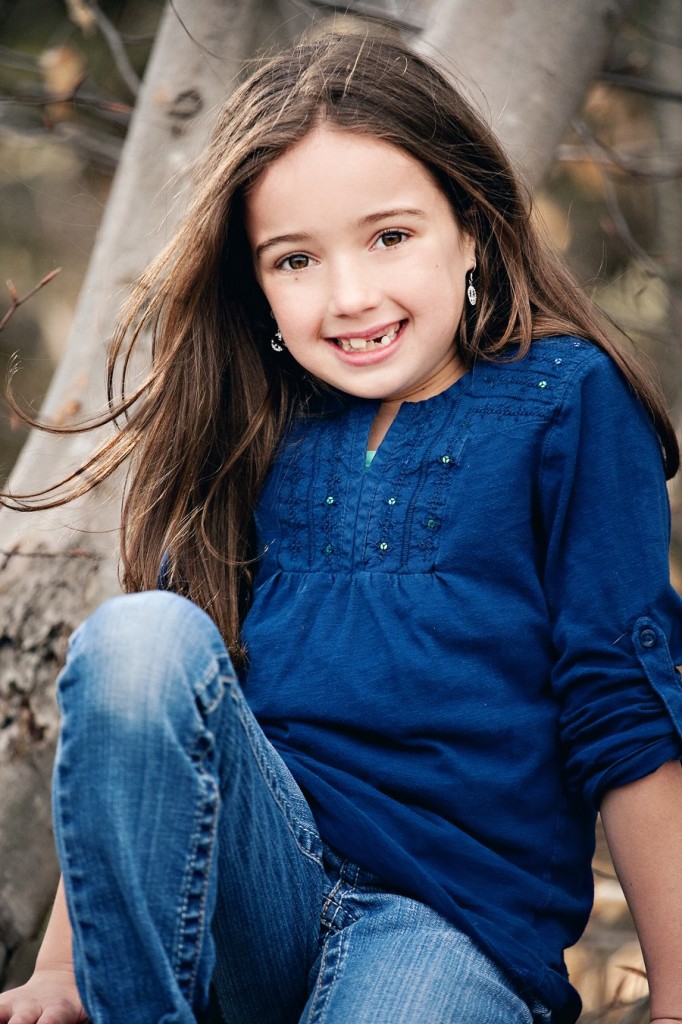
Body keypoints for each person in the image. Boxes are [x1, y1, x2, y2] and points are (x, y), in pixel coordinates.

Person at [1, 26, 682, 1024]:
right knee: (136, 639)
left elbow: (624, 710)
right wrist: (63, 968)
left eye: (390, 236)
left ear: (472, 225)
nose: (350, 294)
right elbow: (150, 727)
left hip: (450, 926)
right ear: (258, 285)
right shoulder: (258, 419)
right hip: (250, 887)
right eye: (295, 260)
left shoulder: (565, 401)